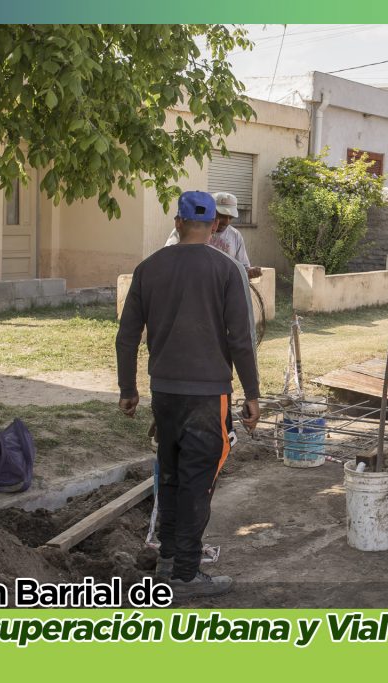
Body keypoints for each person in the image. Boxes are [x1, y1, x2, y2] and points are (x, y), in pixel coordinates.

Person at [117, 190, 261, 600]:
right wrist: (251, 394)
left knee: (171, 473)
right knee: (199, 482)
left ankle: (166, 560)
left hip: (164, 394)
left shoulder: (149, 268)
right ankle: (184, 574)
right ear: (215, 224)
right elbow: (241, 341)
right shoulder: (228, 270)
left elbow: (127, 338)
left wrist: (129, 389)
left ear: (178, 222)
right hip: (208, 396)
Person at [165, 191, 262, 278]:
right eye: (222, 216)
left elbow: (242, 268)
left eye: (230, 218)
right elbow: (168, 259)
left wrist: (249, 272)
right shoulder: (187, 230)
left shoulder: (235, 235)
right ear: (210, 212)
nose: (226, 222)